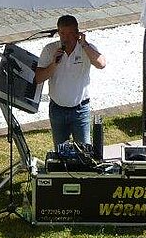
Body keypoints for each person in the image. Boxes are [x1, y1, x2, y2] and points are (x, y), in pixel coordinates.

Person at [34, 15, 107, 147]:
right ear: (58, 32)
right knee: (60, 152)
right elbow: (38, 78)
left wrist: (84, 44)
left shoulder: (86, 49)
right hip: (57, 110)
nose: (66, 38)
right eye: (62, 33)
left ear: (77, 33)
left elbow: (101, 64)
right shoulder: (50, 49)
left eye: (70, 33)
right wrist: (54, 64)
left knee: (84, 152)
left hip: (80, 110)